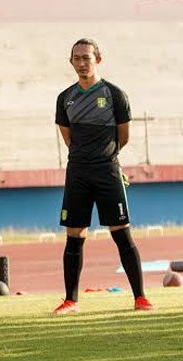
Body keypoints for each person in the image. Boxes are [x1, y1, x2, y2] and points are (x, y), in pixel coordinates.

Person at [53, 38, 153, 315]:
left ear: (98, 59)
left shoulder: (114, 94)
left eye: (87, 57)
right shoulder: (65, 98)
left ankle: (140, 298)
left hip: (107, 171)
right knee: (74, 235)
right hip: (77, 173)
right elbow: (68, 138)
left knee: (121, 233)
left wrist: (104, 158)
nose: (82, 63)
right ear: (71, 62)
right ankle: (70, 301)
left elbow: (124, 136)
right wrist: (85, 158)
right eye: (77, 58)